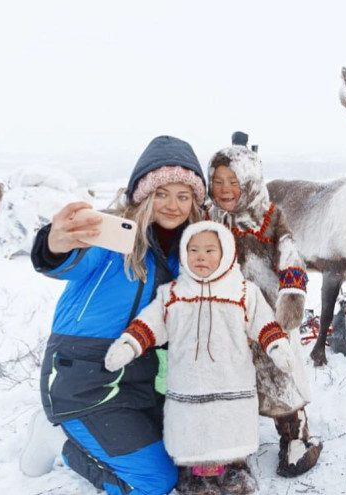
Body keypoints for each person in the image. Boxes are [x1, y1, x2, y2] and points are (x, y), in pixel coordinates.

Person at [28, 135, 206, 494]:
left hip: (142, 381)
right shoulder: (110, 239)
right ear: (142, 195)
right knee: (154, 482)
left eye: (183, 196)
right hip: (84, 382)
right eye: (161, 193)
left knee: (187, 455)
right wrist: (54, 242)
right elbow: (63, 260)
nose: (173, 205)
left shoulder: (190, 254)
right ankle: (58, 444)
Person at [104, 221, 300, 494]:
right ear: (184, 253)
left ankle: (235, 468)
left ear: (227, 253)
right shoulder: (173, 294)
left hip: (232, 381)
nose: (201, 256)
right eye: (194, 250)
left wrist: (277, 347)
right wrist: (128, 345)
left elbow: (264, 324)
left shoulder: (243, 292)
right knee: (193, 433)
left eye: (210, 250)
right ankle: (195, 475)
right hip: (189, 384)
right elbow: (150, 324)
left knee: (229, 431)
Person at [206, 143, 322, 477]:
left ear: (251, 181)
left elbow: (290, 257)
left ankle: (295, 435)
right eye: (218, 180)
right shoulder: (210, 217)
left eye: (234, 180)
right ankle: (232, 441)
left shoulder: (270, 217)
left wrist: (291, 299)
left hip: (269, 316)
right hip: (226, 315)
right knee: (233, 379)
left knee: (279, 377)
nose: (225, 189)